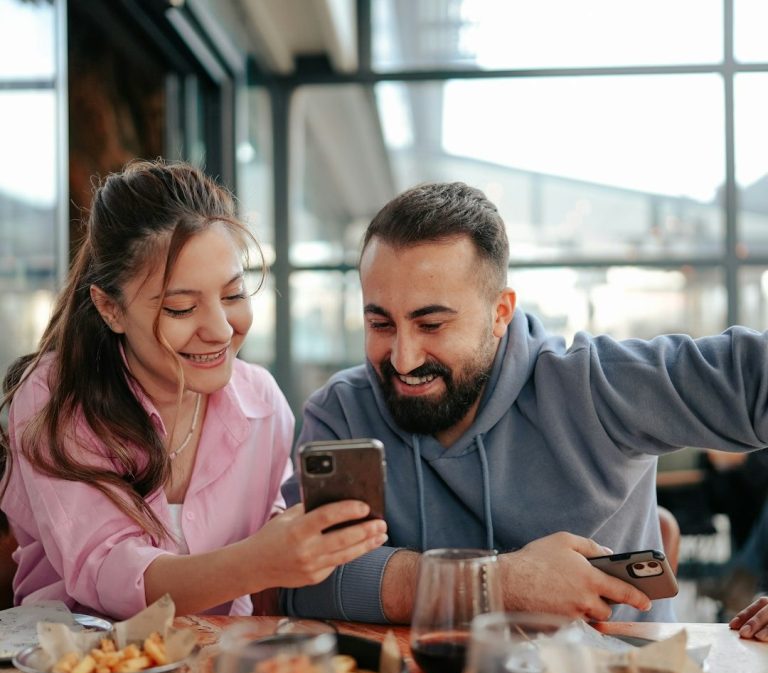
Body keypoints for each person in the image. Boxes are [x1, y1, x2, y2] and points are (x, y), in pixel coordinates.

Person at [281, 181, 768, 625]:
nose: (403, 358)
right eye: (381, 324)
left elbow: (755, 380)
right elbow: (305, 583)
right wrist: (500, 583)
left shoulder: (595, 384)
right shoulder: (342, 412)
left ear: (500, 313)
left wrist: (413, 582)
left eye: (431, 325)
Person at [0, 159, 387, 620]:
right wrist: (260, 561)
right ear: (110, 309)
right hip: (81, 671)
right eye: (182, 308)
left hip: (218, 663)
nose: (221, 331)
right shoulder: (53, 398)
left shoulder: (261, 402)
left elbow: (266, 572)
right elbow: (109, 577)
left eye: (233, 295)